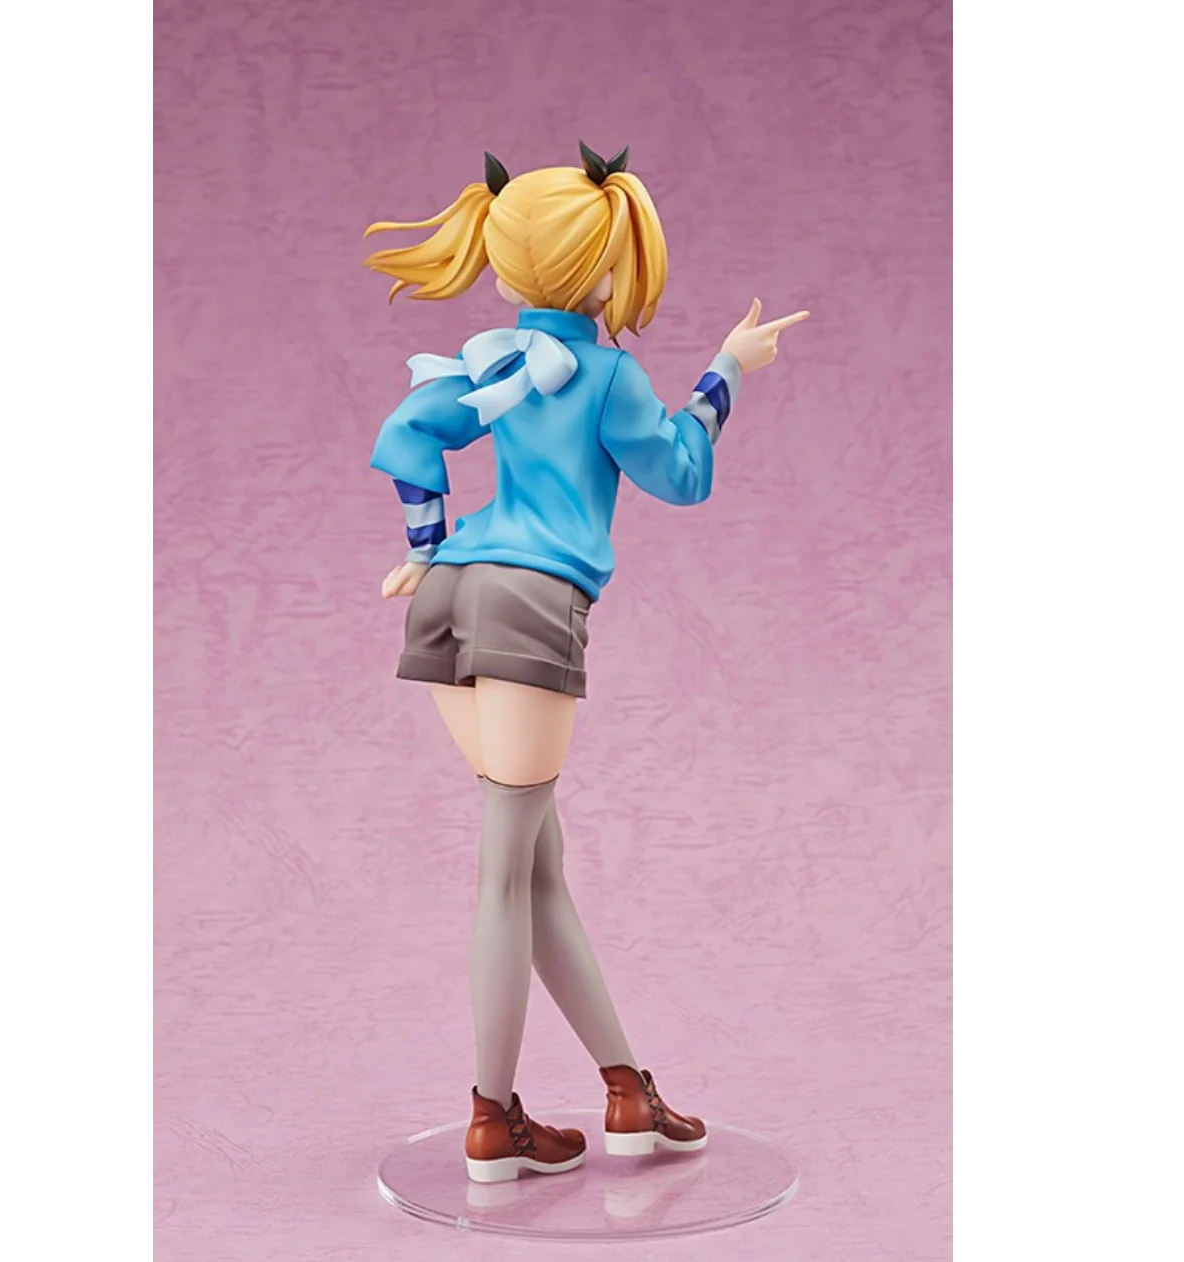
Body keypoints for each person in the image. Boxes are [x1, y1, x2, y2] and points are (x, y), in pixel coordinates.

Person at [365, 142, 809, 1184]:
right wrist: (725, 374)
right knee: (504, 874)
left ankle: (626, 1090)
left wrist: (426, 544)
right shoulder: (606, 373)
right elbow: (682, 472)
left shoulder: (488, 358)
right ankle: (491, 1118)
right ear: (599, 268)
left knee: (536, 869)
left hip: (448, 600)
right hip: (529, 610)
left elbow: (406, 432)